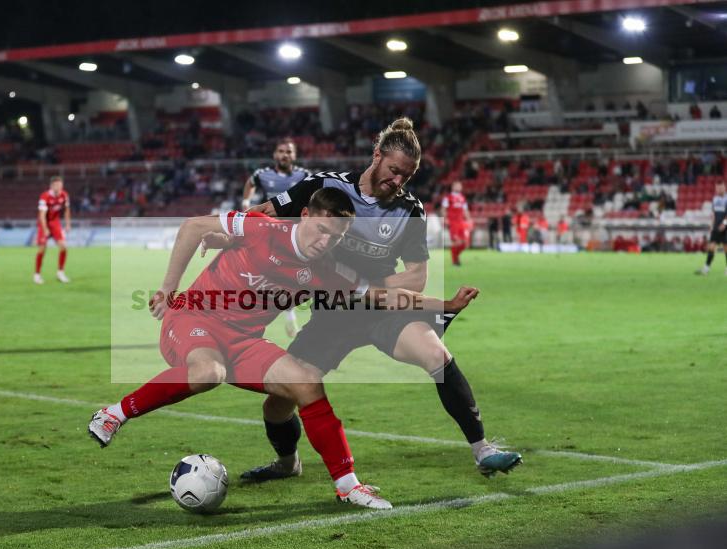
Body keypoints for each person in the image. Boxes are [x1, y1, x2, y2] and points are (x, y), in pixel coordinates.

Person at [88, 188, 480, 509]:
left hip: (243, 342)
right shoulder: (262, 227)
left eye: (336, 238)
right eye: (322, 230)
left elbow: (382, 296)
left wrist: (444, 305)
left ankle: (348, 485)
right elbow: (192, 227)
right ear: (305, 215)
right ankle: (113, 414)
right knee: (209, 372)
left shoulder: (325, 271)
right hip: (193, 321)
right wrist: (168, 288)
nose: (325, 242)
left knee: (307, 381)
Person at [244, 118, 522, 482]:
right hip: (332, 315)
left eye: (405, 176)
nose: (397, 182)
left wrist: (359, 286)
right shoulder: (324, 186)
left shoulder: (409, 209)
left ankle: (483, 449)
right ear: (377, 155)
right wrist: (229, 233)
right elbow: (262, 215)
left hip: (382, 310)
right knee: (278, 403)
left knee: (434, 352)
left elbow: (417, 277)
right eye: (393, 171)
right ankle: (287, 462)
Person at [242, 138, 311, 337]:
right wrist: (246, 202)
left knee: (293, 275)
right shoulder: (262, 174)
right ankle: (273, 315)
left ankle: (288, 311)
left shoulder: (304, 175)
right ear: (275, 155)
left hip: (295, 232)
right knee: (263, 274)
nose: (284, 155)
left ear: (294, 155)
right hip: (269, 232)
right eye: (281, 151)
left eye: (289, 152)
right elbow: (250, 183)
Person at [34, 176, 71, 284]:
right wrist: (45, 229)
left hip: (55, 223)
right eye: (56, 185)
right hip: (44, 223)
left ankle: (60, 272)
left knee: (63, 246)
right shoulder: (45, 196)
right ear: (51, 186)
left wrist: (68, 224)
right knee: (42, 248)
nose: (58, 187)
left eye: (60, 185)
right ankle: (37, 274)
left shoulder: (64, 195)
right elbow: (42, 215)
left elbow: (67, 210)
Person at [696, 180, 727, 275]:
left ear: (724, 187)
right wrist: (712, 224)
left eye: (720, 187)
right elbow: (713, 213)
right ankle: (706, 268)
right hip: (716, 226)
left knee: (726, 248)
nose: (718, 189)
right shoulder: (715, 199)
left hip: (725, 227)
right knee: (711, 247)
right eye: (717, 187)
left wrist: (725, 223)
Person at [441, 181, 473, 266]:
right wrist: (445, 219)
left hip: (461, 222)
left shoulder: (462, 198)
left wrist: (469, 220)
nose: (459, 187)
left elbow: (465, 210)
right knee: (457, 242)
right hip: (453, 222)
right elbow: (443, 209)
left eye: (460, 186)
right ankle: (455, 260)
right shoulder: (448, 197)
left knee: (465, 244)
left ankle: (455, 256)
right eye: (457, 185)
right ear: (453, 187)